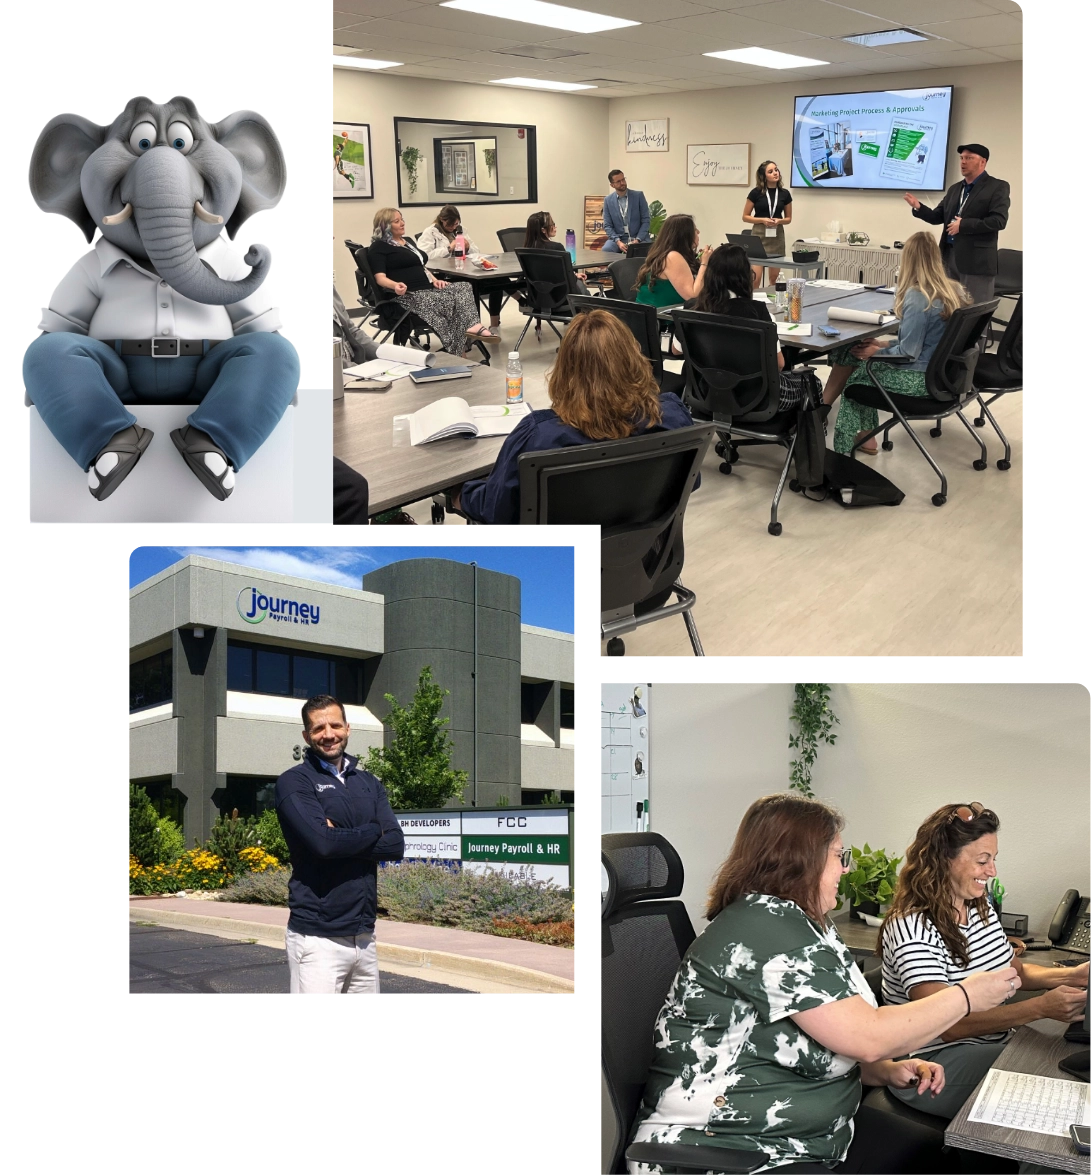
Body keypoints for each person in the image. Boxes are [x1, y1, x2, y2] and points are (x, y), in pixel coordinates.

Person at [627, 793, 1020, 1175]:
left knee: (939, 1156)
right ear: (803, 860)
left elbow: (819, 1036)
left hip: (805, 1135)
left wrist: (883, 1071)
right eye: (839, 856)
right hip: (727, 1147)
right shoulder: (762, 930)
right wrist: (967, 996)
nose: (846, 868)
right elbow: (867, 1036)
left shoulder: (806, 924)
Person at [879, 802, 1089, 1120]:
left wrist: (1074, 974)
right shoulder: (912, 927)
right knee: (1056, 1085)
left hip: (987, 1041)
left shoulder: (979, 906)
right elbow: (946, 1025)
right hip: (931, 1062)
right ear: (943, 859)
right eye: (982, 860)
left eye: (993, 859)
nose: (992, 871)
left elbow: (1014, 972)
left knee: (1061, 1060)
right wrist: (1039, 1009)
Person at [448, 309, 695, 527]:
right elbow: (691, 482)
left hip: (561, 565)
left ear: (565, 369)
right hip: (638, 562)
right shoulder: (672, 416)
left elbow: (495, 512)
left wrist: (462, 493)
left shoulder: (540, 435)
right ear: (635, 359)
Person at [273, 694, 405, 997]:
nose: (328, 734)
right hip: (317, 939)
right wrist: (374, 830)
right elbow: (322, 844)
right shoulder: (295, 782)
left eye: (335, 725)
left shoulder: (369, 782)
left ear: (347, 727)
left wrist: (341, 834)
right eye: (318, 728)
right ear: (307, 736)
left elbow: (395, 845)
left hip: (365, 936)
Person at [820, 231, 970, 456]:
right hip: (945, 376)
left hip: (920, 380)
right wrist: (881, 345)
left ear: (908, 260)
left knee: (856, 380)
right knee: (850, 354)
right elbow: (925, 340)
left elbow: (908, 353)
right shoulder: (953, 290)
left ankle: (839, 450)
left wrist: (874, 352)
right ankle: (857, 433)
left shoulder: (919, 296)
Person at [688, 244, 818, 412]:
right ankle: (807, 435)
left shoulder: (693, 309)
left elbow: (677, 351)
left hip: (707, 391)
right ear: (745, 277)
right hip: (758, 398)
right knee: (812, 383)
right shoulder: (758, 313)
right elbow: (779, 365)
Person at [366, 207, 500, 354]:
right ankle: (463, 343)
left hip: (427, 288)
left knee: (464, 287)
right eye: (397, 221)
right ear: (385, 226)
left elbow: (421, 266)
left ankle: (472, 327)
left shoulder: (407, 242)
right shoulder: (378, 247)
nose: (402, 223)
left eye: (402, 219)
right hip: (406, 296)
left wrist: (435, 280)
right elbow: (380, 278)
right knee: (450, 301)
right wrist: (395, 285)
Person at [903, 143, 1010, 307]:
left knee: (975, 309)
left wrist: (964, 225)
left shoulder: (997, 187)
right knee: (950, 308)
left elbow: (998, 221)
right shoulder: (955, 189)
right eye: (961, 158)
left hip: (976, 261)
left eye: (969, 158)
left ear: (983, 162)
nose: (963, 162)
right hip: (949, 256)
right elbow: (937, 216)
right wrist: (918, 207)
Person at [416, 204, 517, 330]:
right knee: (479, 284)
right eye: (450, 225)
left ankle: (494, 325)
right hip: (446, 274)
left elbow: (476, 251)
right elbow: (424, 256)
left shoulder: (460, 229)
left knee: (495, 276)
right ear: (442, 220)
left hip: (464, 268)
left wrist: (468, 246)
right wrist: (448, 248)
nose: (453, 227)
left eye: (456, 224)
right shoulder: (430, 232)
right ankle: (474, 326)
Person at [633, 214, 707, 307]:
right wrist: (705, 263)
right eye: (695, 230)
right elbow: (692, 295)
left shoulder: (673, 254)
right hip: (660, 317)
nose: (698, 232)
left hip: (671, 312)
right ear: (684, 235)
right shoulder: (672, 257)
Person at [743, 160, 793, 286]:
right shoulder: (756, 193)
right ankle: (753, 303)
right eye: (770, 172)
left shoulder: (784, 194)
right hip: (759, 235)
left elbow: (788, 219)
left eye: (776, 170)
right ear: (763, 176)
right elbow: (745, 217)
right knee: (755, 278)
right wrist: (762, 220)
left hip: (777, 236)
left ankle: (773, 304)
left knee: (774, 279)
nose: (775, 173)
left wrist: (779, 220)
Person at [602, 169, 651, 254]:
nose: (622, 183)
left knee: (644, 250)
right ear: (612, 185)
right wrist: (618, 242)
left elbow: (646, 220)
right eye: (618, 181)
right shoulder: (608, 200)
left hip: (638, 237)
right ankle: (613, 268)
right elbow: (607, 226)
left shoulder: (638, 196)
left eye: (623, 179)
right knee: (606, 250)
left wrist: (638, 239)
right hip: (619, 238)